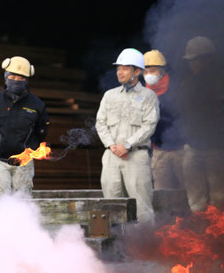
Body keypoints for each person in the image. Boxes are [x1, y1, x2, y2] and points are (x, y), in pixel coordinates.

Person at [95, 48, 159, 224]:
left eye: (124, 68)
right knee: (111, 204)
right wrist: (111, 145)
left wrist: (128, 145)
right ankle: (115, 248)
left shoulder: (149, 96)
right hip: (111, 156)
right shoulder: (110, 96)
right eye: (118, 68)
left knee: (142, 207)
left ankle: (146, 249)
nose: (119, 72)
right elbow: (100, 123)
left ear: (137, 71)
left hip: (136, 156)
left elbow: (149, 125)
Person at [0, 56, 49, 197]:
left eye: (21, 78)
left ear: (27, 79)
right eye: (13, 76)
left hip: (24, 162)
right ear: (6, 77)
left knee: (23, 201)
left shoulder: (37, 105)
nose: (16, 80)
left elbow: (41, 131)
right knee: (1, 200)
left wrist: (29, 150)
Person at [178, 36, 224, 212]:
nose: (192, 64)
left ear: (207, 59)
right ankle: (199, 233)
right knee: (195, 199)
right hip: (193, 148)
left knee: (219, 197)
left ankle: (218, 235)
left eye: (196, 59)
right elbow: (183, 114)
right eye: (190, 60)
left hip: (216, 150)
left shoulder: (220, 83)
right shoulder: (186, 86)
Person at [143, 49, 186, 190]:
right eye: (145, 71)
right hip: (158, 151)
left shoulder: (178, 90)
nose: (149, 74)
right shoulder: (142, 94)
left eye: (153, 70)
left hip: (181, 149)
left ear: (163, 70)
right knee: (162, 192)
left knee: (187, 190)